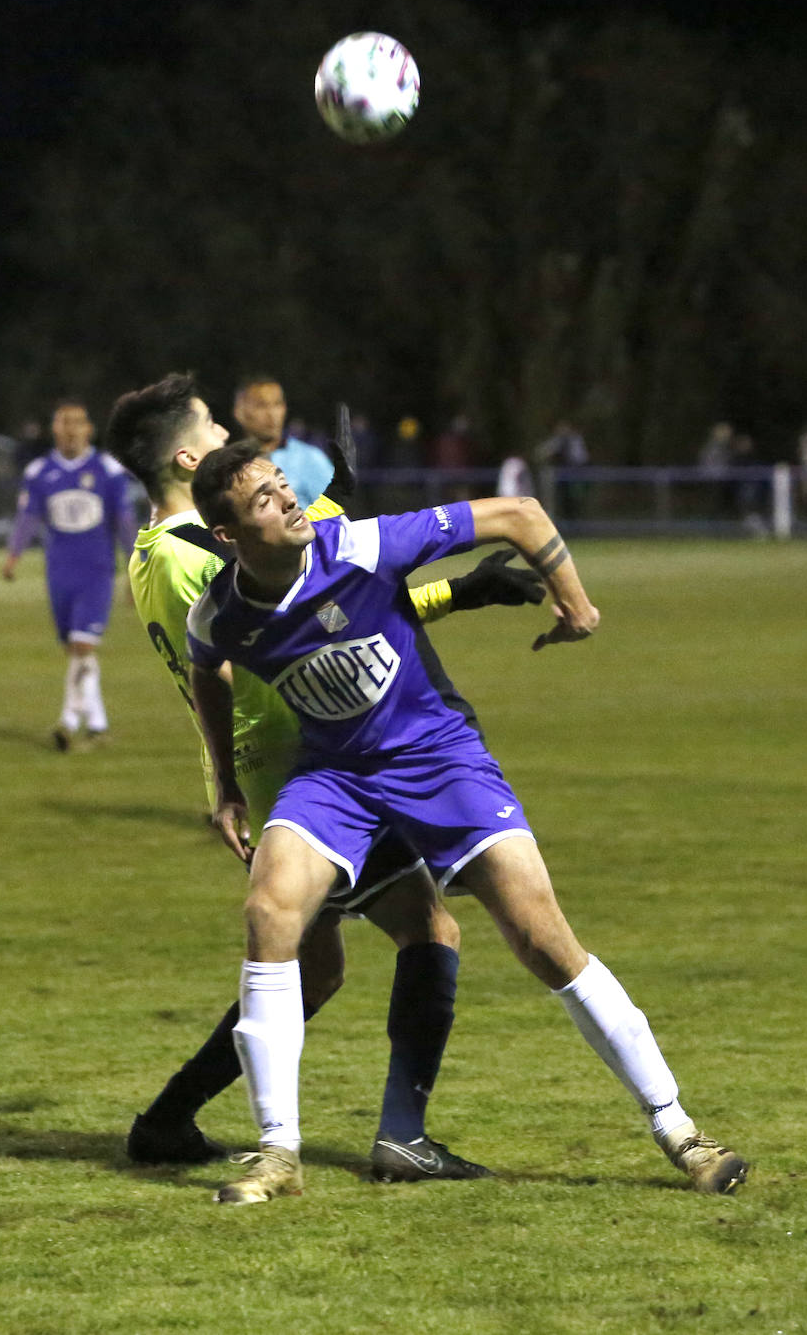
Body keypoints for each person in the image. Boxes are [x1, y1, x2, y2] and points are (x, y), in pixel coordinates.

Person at [187, 442, 749, 1205]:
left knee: (541, 938)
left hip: (437, 757)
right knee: (268, 908)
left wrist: (575, 601)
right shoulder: (221, 611)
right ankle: (278, 1157)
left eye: (284, 486)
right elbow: (205, 669)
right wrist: (226, 787)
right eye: (263, 500)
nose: (287, 502)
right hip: (338, 778)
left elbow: (519, 514)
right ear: (229, 536)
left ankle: (681, 1132)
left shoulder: (360, 546)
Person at [105, 372, 545, 1180]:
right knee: (428, 931)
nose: (238, 434)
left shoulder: (163, 552)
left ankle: (166, 1122)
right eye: (214, 425)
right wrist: (456, 590)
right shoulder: (184, 559)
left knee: (315, 969)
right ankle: (400, 1138)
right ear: (186, 455)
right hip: (302, 773)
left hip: (297, 767)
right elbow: (296, 644)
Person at [1, 400, 136, 750]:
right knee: (77, 652)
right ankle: (97, 723)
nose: (72, 429)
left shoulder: (107, 470)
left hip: (97, 571)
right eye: (64, 422)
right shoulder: (39, 472)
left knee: (82, 644)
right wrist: (14, 554)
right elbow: (28, 517)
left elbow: (124, 522)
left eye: (78, 422)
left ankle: (68, 720)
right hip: (59, 571)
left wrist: (135, 565)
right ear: (54, 429)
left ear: (89, 428)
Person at [232, 374, 333, 508]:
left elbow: (335, 513)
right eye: (261, 405)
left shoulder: (309, 458)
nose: (272, 414)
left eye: (277, 404)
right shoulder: (229, 464)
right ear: (239, 412)